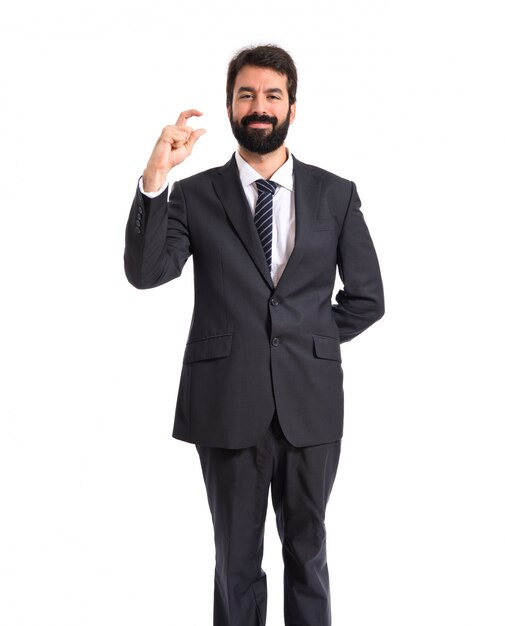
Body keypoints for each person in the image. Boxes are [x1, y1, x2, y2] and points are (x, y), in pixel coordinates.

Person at [124, 44, 384, 626]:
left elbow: (368, 299)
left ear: (293, 106)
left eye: (272, 95)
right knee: (234, 563)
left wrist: (305, 342)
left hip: (309, 403)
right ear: (230, 106)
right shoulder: (193, 196)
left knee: (308, 554)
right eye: (246, 95)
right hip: (225, 403)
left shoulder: (335, 194)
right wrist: (155, 177)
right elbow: (146, 274)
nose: (259, 106)